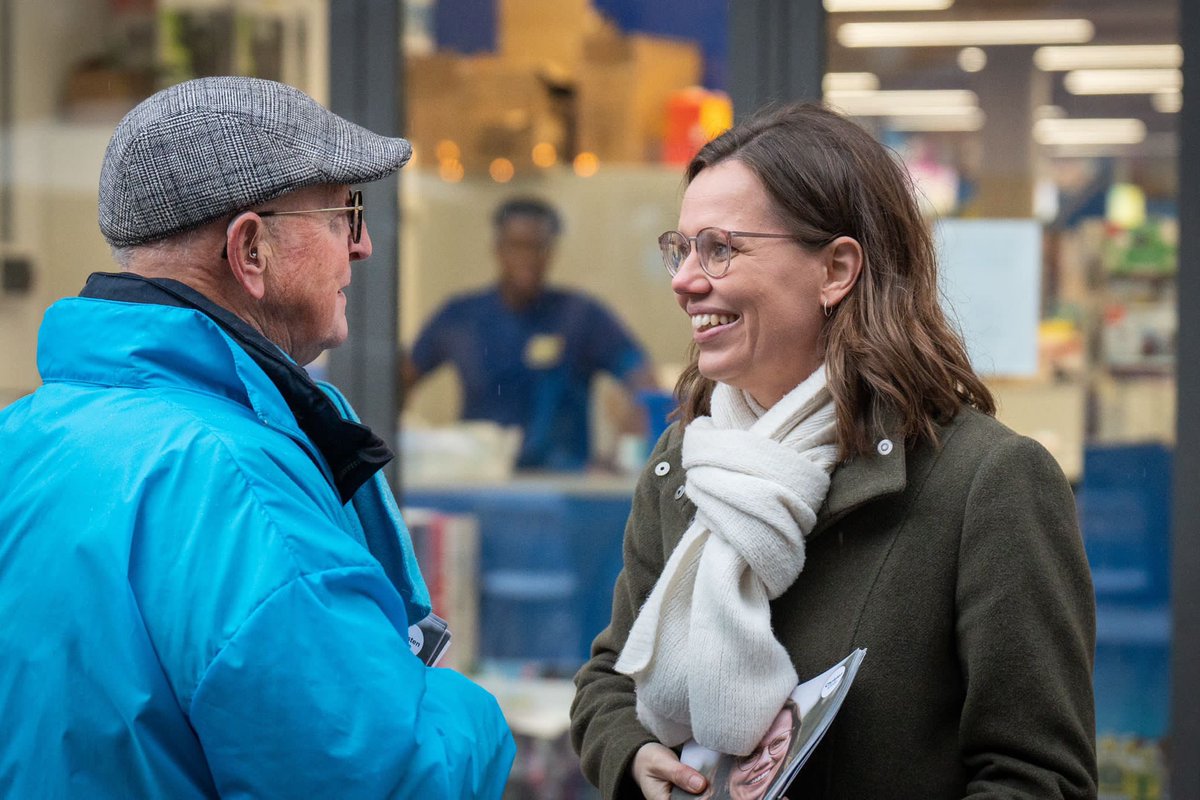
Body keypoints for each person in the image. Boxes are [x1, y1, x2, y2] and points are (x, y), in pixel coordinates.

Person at [0, 76, 514, 798]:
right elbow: (390, 779)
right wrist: (469, 708)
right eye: (343, 213)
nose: (363, 246)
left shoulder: (21, 435)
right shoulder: (234, 483)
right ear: (251, 251)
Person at [569, 102, 1097, 799]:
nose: (685, 280)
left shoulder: (987, 482)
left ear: (836, 270)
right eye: (682, 248)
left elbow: (1038, 778)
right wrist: (634, 756)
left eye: (720, 248)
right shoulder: (684, 463)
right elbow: (609, 679)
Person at [402, 196, 658, 471]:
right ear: (498, 248)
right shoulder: (462, 316)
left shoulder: (581, 316)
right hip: (483, 483)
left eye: (537, 247)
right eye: (516, 246)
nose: (527, 258)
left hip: (563, 489)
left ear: (551, 251)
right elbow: (399, 380)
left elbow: (644, 383)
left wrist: (624, 451)